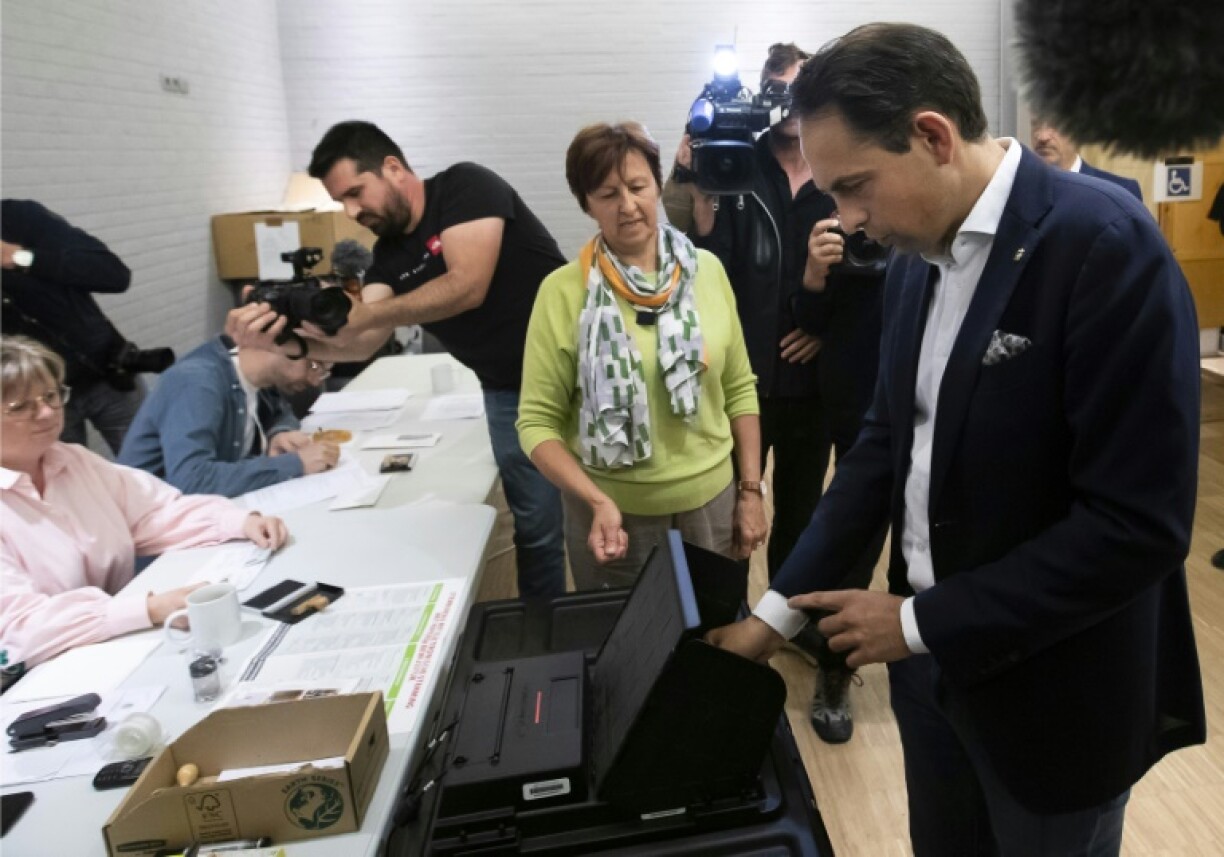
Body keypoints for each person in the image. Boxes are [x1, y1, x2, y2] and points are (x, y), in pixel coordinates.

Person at [708, 23, 1204, 856]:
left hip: (1053, 691)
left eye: (854, 187)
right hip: (930, 678)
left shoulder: (1105, 248)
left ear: (933, 136)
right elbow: (880, 451)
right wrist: (772, 616)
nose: (848, 221)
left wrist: (917, 621)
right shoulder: (914, 259)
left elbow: (1137, 526)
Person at [226, 122, 567, 598]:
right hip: (508, 390)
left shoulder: (466, 187)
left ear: (392, 168)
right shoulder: (386, 256)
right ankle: (547, 624)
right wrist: (283, 343)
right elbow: (362, 341)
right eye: (341, 202)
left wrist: (366, 313)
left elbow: (467, 285)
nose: (351, 212)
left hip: (576, 373)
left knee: (611, 505)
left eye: (355, 193)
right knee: (537, 529)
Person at [665, 42, 888, 743]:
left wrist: (819, 324)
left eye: (801, 88)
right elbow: (708, 263)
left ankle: (802, 635)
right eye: (778, 89)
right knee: (732, 519)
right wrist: (694, 169)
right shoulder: (738, 161)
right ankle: (727, 639)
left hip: (821, 382)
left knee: (805, 519)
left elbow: (875, 274)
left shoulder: (842, 170)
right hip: (744, 377)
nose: (789, 103)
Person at [516, 121, 767, 590]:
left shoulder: (707, 271)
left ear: (657, 186)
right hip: (612, 516)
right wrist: (595, 500)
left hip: (711, 504)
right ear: (587, 204)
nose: (628, 205)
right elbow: (535, 423)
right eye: (608, 194)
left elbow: (739, 390)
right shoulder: (562, 292)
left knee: (715, 626)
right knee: (626, 632)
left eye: (637, 186)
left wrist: (751, 490)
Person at [0, 336, 289, 667]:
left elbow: (155, 512)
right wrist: (149, 608)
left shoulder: (73, 461)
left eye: (51, 396)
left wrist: (238, 522)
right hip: (33, 674)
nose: (47, 412)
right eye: (21, 407)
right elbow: (19, 630)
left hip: (106, 647)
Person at [1, 199, 162, 454]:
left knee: (155, 466)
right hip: (38, 402)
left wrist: (20, 257)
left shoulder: (16, 217)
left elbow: (114, 274)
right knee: (59, 477)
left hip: (110, 374)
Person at [118, 335, 339, 497]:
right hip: (156, 533)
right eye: (314, 365)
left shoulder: (257, 377)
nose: (315, 380)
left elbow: (281, 412)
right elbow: (193, 480)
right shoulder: (197, 382)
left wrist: (279, 434)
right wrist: (295, 464)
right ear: (278, 342)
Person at [1031, 117, 1144, 200]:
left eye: (1055, 125)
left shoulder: (1120, 192)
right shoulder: (1024, 189)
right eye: (1035, 125)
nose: (1042, 137)